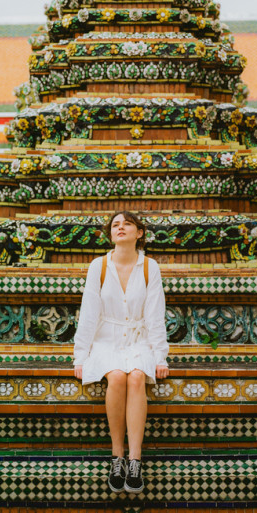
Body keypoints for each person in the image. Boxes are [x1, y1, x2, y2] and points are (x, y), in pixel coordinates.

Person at [73, 211, 169, 494]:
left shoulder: (150, 267)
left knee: (137, 377)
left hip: (138, 340)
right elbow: (89, 313)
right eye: (115, 224)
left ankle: (135, 460)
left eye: (127, 223)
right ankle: (117, 458)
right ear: (110, 234)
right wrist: (81, 356)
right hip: (107, 341)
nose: (121, 227)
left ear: (139, 233)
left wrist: (160, 356)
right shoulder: (98, 266)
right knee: (115, 377)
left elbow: (155, 315)